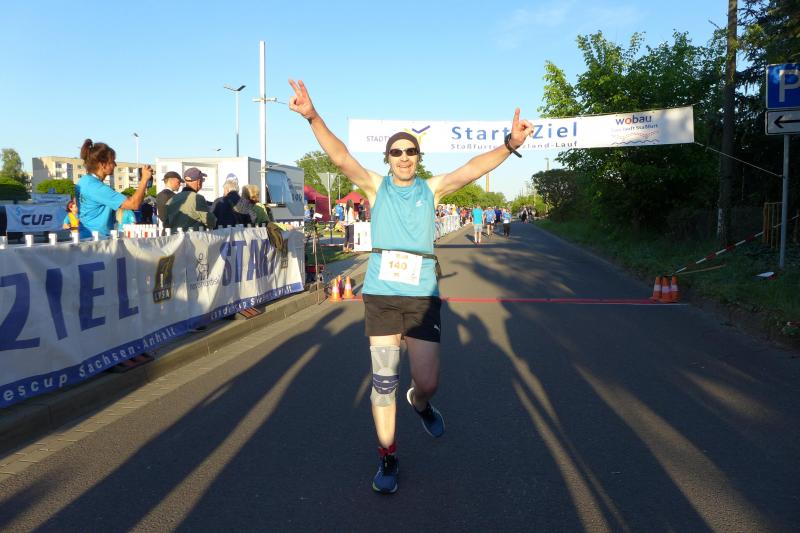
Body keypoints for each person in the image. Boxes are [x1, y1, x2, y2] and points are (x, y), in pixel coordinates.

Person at [288, 78, 533, 494]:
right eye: (397, 152)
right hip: (382, 295)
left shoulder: (431, 188)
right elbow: (340, 157)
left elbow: (473, 168)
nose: (404, 157)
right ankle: (387, 456)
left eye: (411, 151)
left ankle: (420, 403)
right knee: (384, 382)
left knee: (428, 381)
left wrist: (510, 145)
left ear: (419, 157)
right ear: (387, 158)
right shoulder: (375, 186)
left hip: (421, 296)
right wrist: (312, 116)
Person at [75, 139, 152, 239]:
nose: (115, 165)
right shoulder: (96, 187)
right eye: (112, 161)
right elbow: (134, 204)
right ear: (102, 164)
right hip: (97, 239)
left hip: (85, 236)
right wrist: (144, 179)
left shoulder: (84, 182)